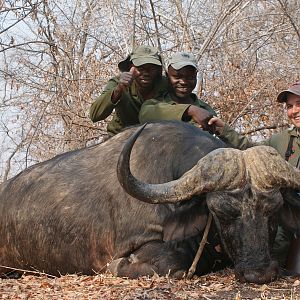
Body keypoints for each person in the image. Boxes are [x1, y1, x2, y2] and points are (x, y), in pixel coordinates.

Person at [208, 81, 300, 273]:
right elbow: (252, 150)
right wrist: (225, 131)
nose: (294, 111)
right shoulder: (282, 139)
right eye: (290, 106)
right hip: (287, 210)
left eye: (299, 104)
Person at [90, 45, 168, 135]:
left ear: (158, 70)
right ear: (132, 67)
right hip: (120, 137)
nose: (146, 73)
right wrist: (118, 90)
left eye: (151, 69)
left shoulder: (166, 84)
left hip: (155, 136)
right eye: (141, 68)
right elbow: (94, 115)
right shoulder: (117, 83)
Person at [139, 52, 217, 132]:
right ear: (167, 76)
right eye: (177, 77)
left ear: (195, 77)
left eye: (190, 77)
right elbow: (145, 115)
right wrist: (190, 110)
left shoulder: (205, 109)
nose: (183, 82)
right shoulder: (154, 103)